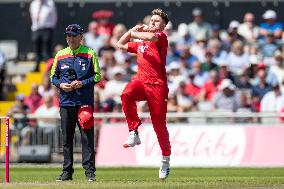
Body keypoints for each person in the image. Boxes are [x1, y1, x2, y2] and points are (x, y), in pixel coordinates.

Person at [116, 8, 171, 180]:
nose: (153, 23)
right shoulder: (141, 44)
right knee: (126, 94)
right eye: (152, 20)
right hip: (141, 81)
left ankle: (165, 159)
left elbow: (151, 36)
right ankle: (134, 132)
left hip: (157, 85)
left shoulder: (161, 37)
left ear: (162, 27)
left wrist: (135, 32)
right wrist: (132, 30)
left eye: (157, 22)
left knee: (159, 125)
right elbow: (119, 44)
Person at [50, 24, 101, 182]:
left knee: (87, 138)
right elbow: (53, 77)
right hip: (66, 103)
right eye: (68, 36)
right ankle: (67, 172)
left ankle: (89, 172)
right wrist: (60, 85)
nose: (70, 39)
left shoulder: (90, 53)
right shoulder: (60, 54)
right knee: (67, 139)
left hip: (84, 102)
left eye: (73, 35)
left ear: (81, 37)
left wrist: (82, 83)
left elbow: (98, 76)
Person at [29, 0, 57, 72]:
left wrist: (51, 26)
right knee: (37, 49)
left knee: (47, 49)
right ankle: (37, 66)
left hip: (47, 29)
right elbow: (32, 16)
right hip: (36, 29)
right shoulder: (33, 4)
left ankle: (50, 67)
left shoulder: (50, 3)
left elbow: (54, 16)